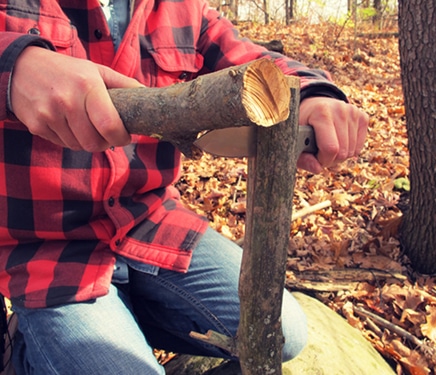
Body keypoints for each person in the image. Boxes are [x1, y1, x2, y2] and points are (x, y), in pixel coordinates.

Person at [0, 0, 369, 373]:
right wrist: (14, 65)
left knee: (286, 332)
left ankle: (120, 324)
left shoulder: (180, 7)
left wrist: (311, 94)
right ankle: (33, 353)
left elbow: (248, 57)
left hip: (149, 221)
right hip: (50, 253)